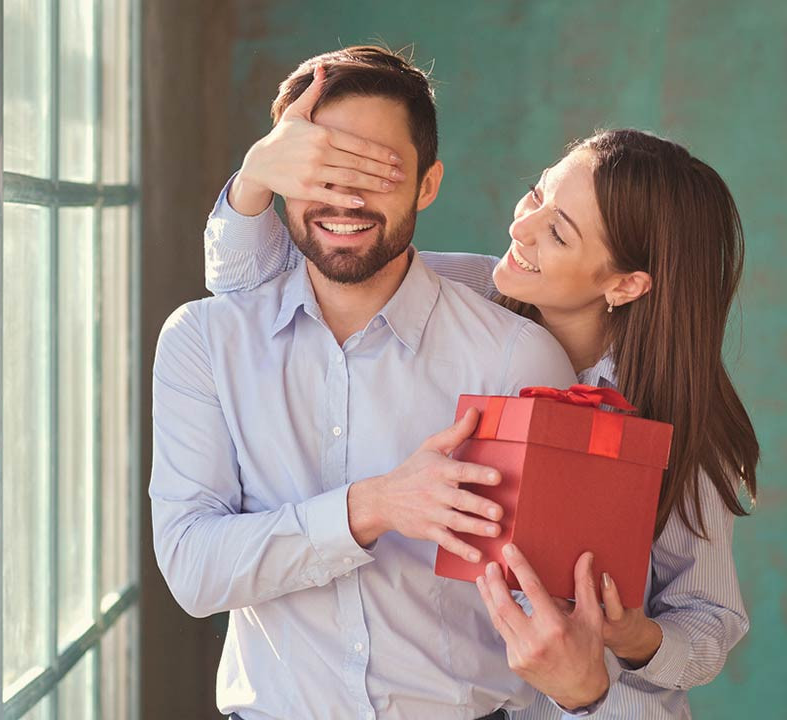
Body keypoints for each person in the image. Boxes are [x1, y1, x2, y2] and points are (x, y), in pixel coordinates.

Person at [201, 58, 761, 720]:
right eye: (537, 195)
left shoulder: (678, 425)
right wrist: (260, 176)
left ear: (626, 284)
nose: (520, 228)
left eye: (558, 231)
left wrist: (633, 639)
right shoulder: (452, 294)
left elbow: (709, 623)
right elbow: (256, 294)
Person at [150, 45, 619, 720]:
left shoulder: (516, 359)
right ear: (281, 178)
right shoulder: (203, 342)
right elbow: (194, 571)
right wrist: (370, 507)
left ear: (427, 185)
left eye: (375, 172)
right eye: (321, 170)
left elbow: (553, 611)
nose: (344, 199)